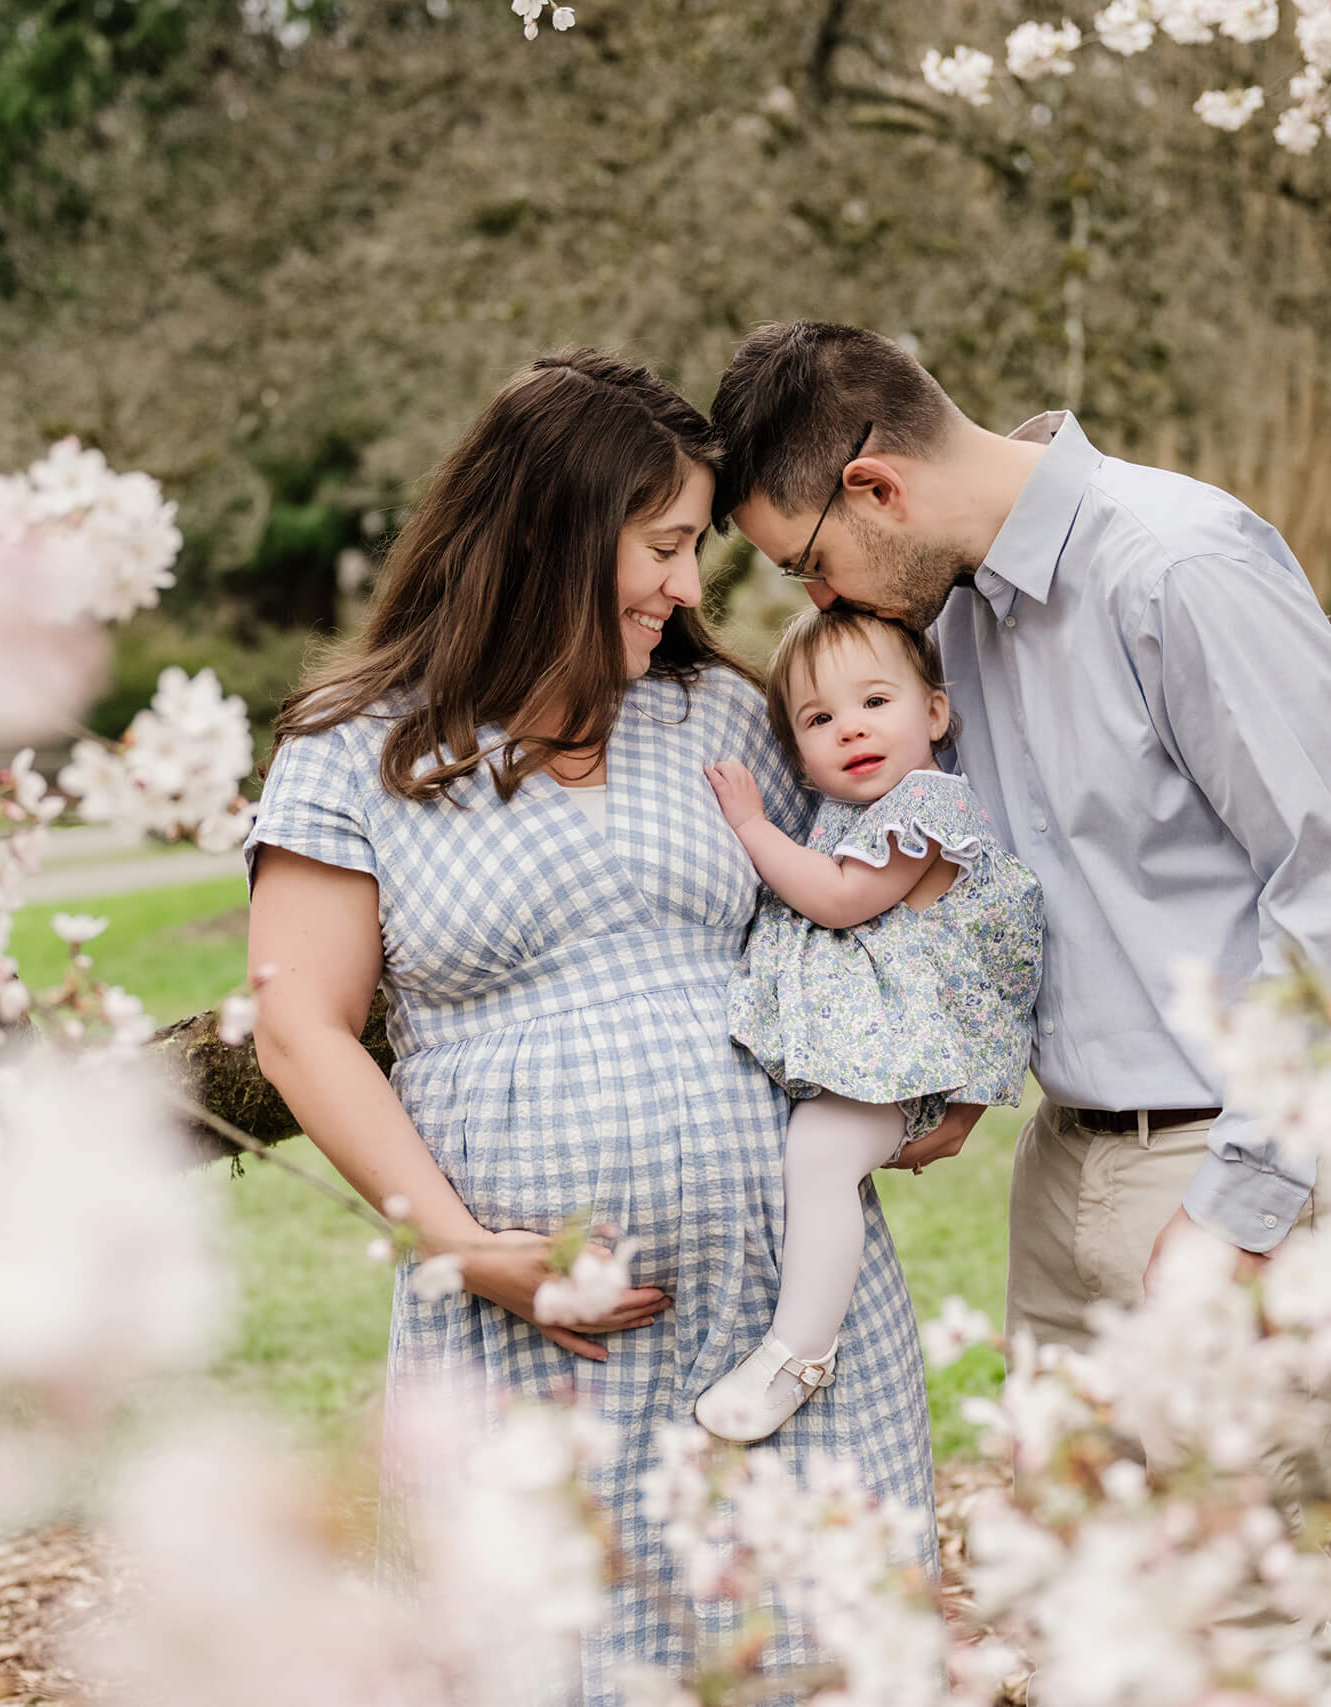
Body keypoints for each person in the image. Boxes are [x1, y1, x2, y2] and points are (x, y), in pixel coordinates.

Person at [243, 349, 935, 1704]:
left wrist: (923, 1079)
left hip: (781, 1335)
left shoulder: (724, 718)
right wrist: (464, 1251)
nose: (689, 584)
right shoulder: (358, 747)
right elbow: (300, 1033)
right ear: (557, 533)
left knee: (821, 1658)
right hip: (530, 1338)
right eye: (666, 544)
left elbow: (874, 901)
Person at [707, 322, 1331, 1361]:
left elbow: (1330, 890)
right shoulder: (950, 633)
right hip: (1062, 1162)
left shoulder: (1177, 567)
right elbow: (986, 887)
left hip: (1234, 1157)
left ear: (875, 487)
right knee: (1074, 1522)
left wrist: (1243, 1209)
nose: (819, 604)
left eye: (810, 563)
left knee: (1231, 1524)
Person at [694, 607, 1042, 1442]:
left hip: (905, 1057)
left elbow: (839, 900)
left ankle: (801, 1351)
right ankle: (797, 1340)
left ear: (933, 713)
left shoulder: (925, 805)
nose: (850, 727)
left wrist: (750, 826)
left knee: (819, 1157)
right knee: (816, 1159)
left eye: (875, 702)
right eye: (819, 718)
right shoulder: (856, 812)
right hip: (879, 1050)